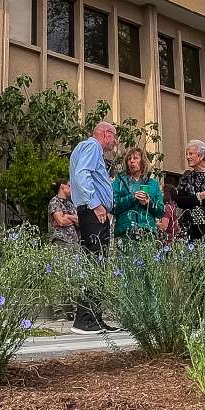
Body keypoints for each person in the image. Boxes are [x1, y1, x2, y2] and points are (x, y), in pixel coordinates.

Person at [68, 121, 119, 334]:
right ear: (106, 134)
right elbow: (82, 175)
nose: (115, 142)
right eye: (114, 136)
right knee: (96, 261)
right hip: (93, 211)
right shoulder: (92, 147)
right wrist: (97, 204)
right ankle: (85, 319)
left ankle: (94, 318)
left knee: (98, 262)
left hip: (91, 211)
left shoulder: (84, 148)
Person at [112, 147, 164, 240]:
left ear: (142, 162)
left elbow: (160, 211)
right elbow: (112, 206)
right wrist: (132, 198)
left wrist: (149, 203)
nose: (132, 161)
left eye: (135, 158)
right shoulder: (119, 181)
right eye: (129, 159)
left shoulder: (153, 183)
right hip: (125, 231)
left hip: (147, 231)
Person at [47, 179, 80, 245]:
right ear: (62, 186)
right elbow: (61, 221)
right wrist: (73, 220)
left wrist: (68, 216)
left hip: (74, 241)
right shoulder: (55, 201)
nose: (71, 189)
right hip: (61, 240)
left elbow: (79, 221)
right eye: (69, 186)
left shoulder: (70, 204)